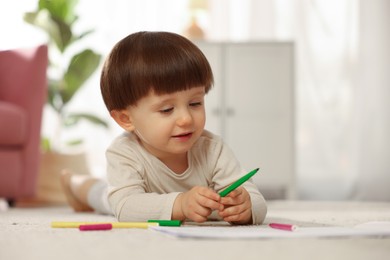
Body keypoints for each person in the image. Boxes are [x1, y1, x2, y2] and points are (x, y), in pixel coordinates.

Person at [60, 31, 267, 225]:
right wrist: (180, 204)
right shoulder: (123, 152)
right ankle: (73, 181)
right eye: (167, 109)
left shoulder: (212, 149)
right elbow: (125, 207)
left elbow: (256, 199)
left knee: (105, 193)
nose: (186, 119)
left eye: (195, 103)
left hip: (145, 196)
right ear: (126, 119)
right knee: (101, 195)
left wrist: (246, 206)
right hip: (121, 194)